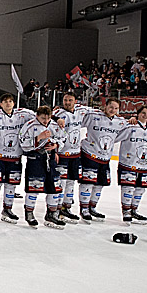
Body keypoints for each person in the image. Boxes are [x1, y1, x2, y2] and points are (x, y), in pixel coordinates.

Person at [76, 97, 128, 222]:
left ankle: (92, 207)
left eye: (116, 108)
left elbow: (127, 131)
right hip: (89, 154)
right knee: (87, 183)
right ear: (105, 106)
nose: (113, 110)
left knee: (100, 184)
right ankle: (84, 208)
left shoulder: (120, 121)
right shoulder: (93, 115)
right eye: (111, 107)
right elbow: (76, 119)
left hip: (105, 158)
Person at [0, 94, 35, 223]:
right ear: (0, 104)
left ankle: (7, 208)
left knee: (11, 186)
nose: (8, 104)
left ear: (14, 103)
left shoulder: (23, 114)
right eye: (5, 102)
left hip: (15, 157)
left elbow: (41, 116)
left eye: (10, 101)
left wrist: (57, 118)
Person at [18, 106, 66, 228]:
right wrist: (38, 138)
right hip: (35, 160)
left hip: (51, 160)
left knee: (54, 187)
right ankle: (29, 214)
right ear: (37, 116)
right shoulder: (29, 126)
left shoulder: (54, 125)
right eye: (43, 118)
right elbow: (23, 143)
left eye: (48, 117)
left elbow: (64, 137)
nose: (46, 120)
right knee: (34, 187)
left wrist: (56, 145)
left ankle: (51, 214)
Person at [115, 105, 147, 225]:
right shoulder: (130, 126)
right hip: (128, 163)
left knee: (140, 189)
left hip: (143, 165)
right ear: (138, 114)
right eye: (143, 113)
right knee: (128, 188)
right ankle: (126, 211)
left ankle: (134, 209)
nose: (145, 115)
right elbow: (116, 138)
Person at [52, 91, 84, 221]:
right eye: (65, 100)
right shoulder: (58, 113)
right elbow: (47, 117)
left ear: (75, 101)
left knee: (71, 182)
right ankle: (57, 209)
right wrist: (56, 118)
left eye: (70, 100)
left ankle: (66, 207)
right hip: (63, 154)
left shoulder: (81, 111)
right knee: (62, 183)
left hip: (75, 155)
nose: (67, 103)